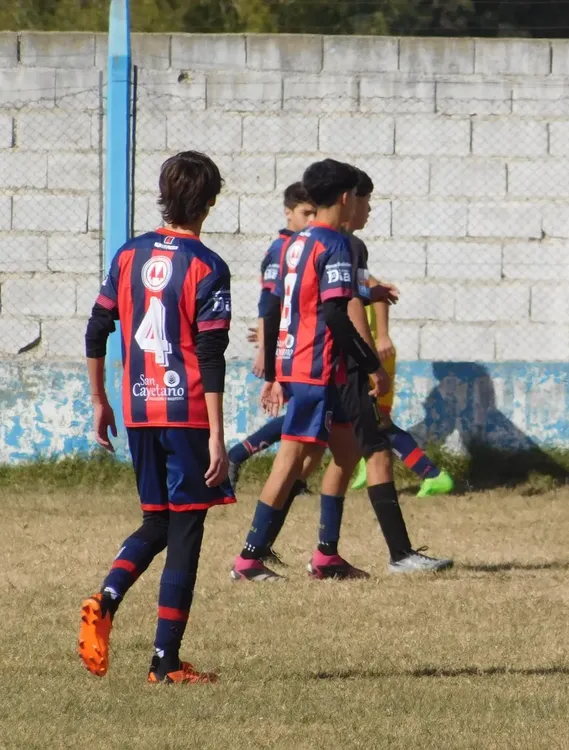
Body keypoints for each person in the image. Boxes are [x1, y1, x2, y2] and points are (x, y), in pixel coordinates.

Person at [78, 151, 234, 684]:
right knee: (187, 530)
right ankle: (165, 662)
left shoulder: (127, 256)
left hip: (140, 410)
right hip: (187, 413)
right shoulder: (208, 266)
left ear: (164, 195)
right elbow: (210, 357)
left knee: (157, 521)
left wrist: (101, 400)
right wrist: (217, 435)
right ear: (210, 203)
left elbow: (97, 329)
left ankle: (107, 596)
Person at [314, 168, 453, 577]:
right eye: (365, 199)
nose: (369, 208)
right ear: (347, 199)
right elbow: (345, 310)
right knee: (369, 454)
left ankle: (323, 553)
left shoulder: (332, 245)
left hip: (328, 364)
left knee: (338, 458)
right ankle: (399, 554)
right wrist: (371, 362)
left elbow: (351, 300)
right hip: (347, 366)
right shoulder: (345, 245)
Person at [346, 173, 454, 499]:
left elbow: (379, 294)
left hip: (371, 354)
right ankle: (370, 466)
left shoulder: (352, 259)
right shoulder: (338, 256)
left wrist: (382, 338)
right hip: (356, 353)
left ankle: (432, 474)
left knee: (377, 421)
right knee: (364, 422)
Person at [226, 183, 316, 490]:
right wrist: (266, 347)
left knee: (307, 414)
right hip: (290, 347)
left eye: (316, 213)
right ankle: (239, 456)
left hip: (300, 341)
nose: (312, 219)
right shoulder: (283, 250)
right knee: (304, 412)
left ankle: (293, 478)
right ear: (288, 212)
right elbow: (271, 302)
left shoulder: (304, 246)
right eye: (306, 213)